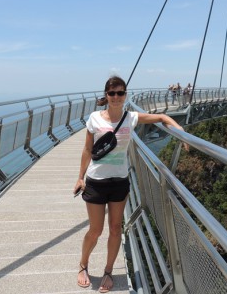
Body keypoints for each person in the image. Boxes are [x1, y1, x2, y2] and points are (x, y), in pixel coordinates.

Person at [74, 76, 186, 292]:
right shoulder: (95, 118)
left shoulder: (131, 117)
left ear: (126, 95)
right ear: (106, 96)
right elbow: (87, 150)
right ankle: (83, 265)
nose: (116, 97)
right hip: (96, 181)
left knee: (116, 229)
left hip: (119, 182)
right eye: (112, 93)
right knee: (95, 231)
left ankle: (108, 272)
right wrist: (80, 177)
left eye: (120, 93)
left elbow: (161, 116)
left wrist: (178, 128)